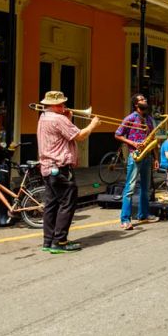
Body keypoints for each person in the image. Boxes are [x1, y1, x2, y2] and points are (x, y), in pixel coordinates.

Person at [37, 91, 100, 253]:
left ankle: (48, 241)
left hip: (47, 167)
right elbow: (79, 136)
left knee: (51, 205)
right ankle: (60, 241)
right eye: (61, 104)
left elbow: (61, 135)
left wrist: (68, 118)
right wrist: (93, 124)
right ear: (55, 105)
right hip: (60, 167)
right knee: (67, 203)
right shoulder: (59, 119)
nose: (64, 106)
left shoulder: (43, 116)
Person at [115, 93, 160, 230]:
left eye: (145, 98)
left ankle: (143, 214)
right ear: (136, 104)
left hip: (147, 156)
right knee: (130, 188)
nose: (144, 100)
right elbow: (117, 134)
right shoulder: (130, 118)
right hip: (135, 155)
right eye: (141, 99)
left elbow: (153, 139)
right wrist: (132, 143)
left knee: (146, 188)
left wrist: (156, 158)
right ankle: (125, 219)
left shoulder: (149, 119)